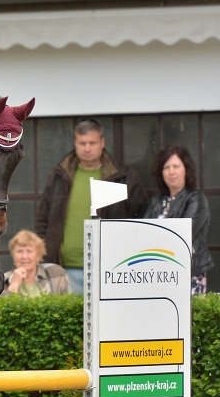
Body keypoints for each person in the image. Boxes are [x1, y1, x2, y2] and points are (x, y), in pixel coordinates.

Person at [35, 118, 148, 294]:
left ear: (102, 142)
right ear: (75, 143)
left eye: (92, 143)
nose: (87, 148)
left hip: (110, 270)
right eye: (82, 143)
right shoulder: (60, 175)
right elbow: (43, 220)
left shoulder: (123, 177)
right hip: (63, 270)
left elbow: (140, 218)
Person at [144, 144, 214, 294]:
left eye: (176, 166)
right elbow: (143, 231)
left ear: (186, 170)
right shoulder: (157, 200)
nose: (171, 172)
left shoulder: (196, 199)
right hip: (158, 274)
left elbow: (182, 234)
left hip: (188, 272)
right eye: (166, 167)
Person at [1, 229, 71, 297]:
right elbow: (1, 307)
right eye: (19, 251)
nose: (24, 256)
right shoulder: (3, 280)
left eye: (29, 251)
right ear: (13, 255)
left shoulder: (55, 273)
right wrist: (14, 285)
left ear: (38, 255)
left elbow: (68, 304)